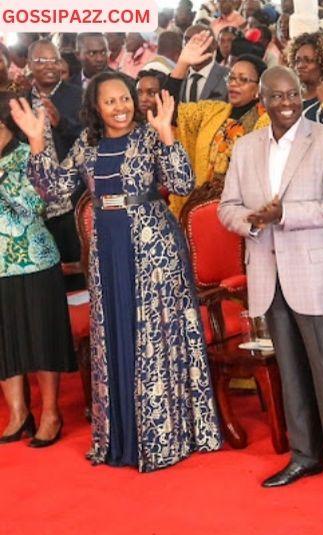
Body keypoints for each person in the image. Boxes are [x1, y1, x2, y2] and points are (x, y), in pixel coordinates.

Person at [17, 72, 223, 471]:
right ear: (96, 108)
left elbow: (183, 182)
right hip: (107, 248)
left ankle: (165, 435)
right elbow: (55, 191)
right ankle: (124, 435)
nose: (120, 107)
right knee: (116, 333)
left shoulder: (149, 136)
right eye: (110, 101)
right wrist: (38, 141)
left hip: (153, 247)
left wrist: (166, 133)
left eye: (125, 98)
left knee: (154, 334)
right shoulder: (88, 144)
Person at [218, 66, 323, 499]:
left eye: (293, 94)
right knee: (290, 371)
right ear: (263, 100)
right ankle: (305, 455)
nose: (287, 103)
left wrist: (283, 215)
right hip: (269, 275)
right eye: (277, 96)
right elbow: (227, 205)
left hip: (317, 274)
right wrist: (251, 221)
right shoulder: (246, 147)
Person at [0, 91, 77, 447]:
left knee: (42, 339)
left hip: (33, 259)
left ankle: (50, 412)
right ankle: (18, 413)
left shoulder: (29, 153)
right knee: (5, 343)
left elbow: (36, 204)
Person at [166, 32, 270, 214]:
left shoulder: (267, 122)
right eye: (231, 78)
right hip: (202, 212)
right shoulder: (212, 112)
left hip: (244, 214)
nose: (234, 84)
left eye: (243, 80)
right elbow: (168, 111)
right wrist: (182, 65)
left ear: (259, 88)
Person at [27, 40, 86, 291]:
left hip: (72, 198)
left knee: (76, 270)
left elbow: (89, 137)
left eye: (54, 59)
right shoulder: (19, 99)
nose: (49, 66)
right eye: (41, 61)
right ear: (30, 65)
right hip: (34, 201)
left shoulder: (77, 95)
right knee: (48, 276)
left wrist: (61, 122)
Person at [179, 25, 231, 103]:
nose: (189, 45)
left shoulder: (228, 76)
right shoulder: (177, 77)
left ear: (214, 45)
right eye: (187, 40)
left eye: (197, 40)